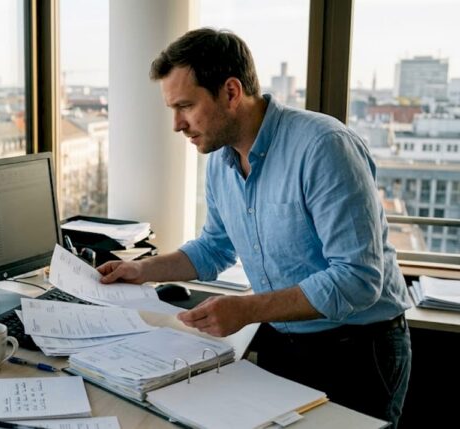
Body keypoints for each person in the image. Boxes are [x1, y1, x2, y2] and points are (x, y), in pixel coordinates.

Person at [97, 28, 412, 427]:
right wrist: (142, 270)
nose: (177, 124)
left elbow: (358, 279)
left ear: (231, 92)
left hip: (356, 350)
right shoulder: (219, 160)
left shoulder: (323, 146)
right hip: (283, 342)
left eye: (186, 105)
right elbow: (214, 248)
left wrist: (247, 309)